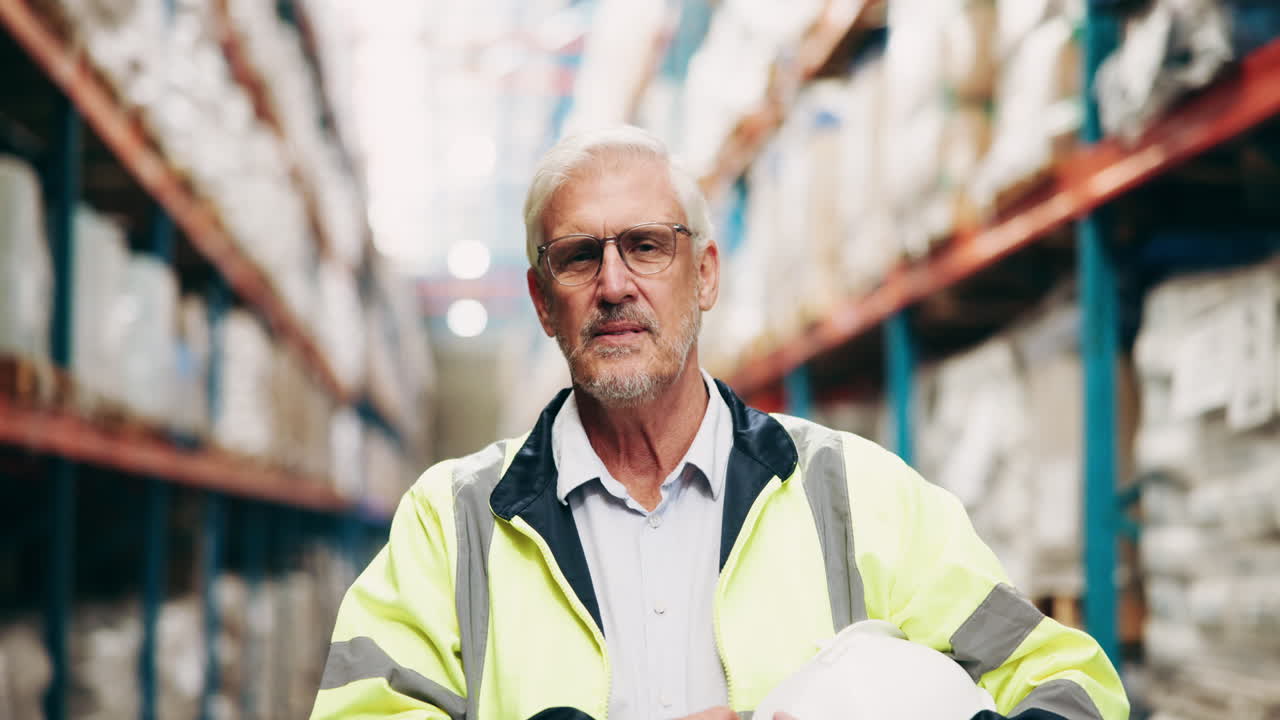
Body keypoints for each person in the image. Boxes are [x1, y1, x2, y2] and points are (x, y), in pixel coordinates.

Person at [310, 126, 1129, 720]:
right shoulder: (451, 525)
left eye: (645, 246)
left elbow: (1068, 684)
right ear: (542, 303)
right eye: (579, 256)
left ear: (703, 275)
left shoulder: (855, 496)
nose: (615, 283)